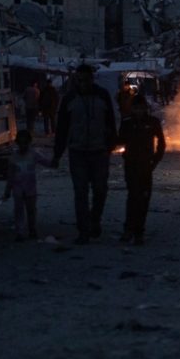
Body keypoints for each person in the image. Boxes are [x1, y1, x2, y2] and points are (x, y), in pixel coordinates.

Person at [52, 63, 118, 245]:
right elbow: (62, 128)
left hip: (99, 150)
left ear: (92, 79)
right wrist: (57, 154)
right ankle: (83, 230)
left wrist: (112, 143)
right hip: (78, 152)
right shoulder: (69, 99)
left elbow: (110, 121)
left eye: (86, 79)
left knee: (100, 190)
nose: (83, 83)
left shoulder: (102, 95)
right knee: (80, 192)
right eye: (80, 80)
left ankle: (94, 219)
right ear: (76, 80)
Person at [117, 94, 166, 245]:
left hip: (146, 165)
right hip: (131, 164)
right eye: (136, 108)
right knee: (133, 196)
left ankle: (139, 231)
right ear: (132, 109)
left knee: (144, 198)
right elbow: (120, 140)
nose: (139, 111)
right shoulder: (127, 123)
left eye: (141, 108)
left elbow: (161, 143)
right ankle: (129, 229)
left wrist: (155, 160)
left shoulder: (152, 122)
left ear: (145, 108)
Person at [3, 130, 50, 241]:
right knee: (19, 211)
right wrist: (7, 190)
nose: (23, 146)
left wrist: (55, 161)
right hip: (19, 189)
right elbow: (10, 176)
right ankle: (20, 232)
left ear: (29, 143)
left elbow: (45, 162)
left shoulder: (33, 154)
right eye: (21, 143)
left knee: (31, 210)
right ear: (17, 143)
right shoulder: (13, 158)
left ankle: (32, 229)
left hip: (30, 189)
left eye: (25, 143)